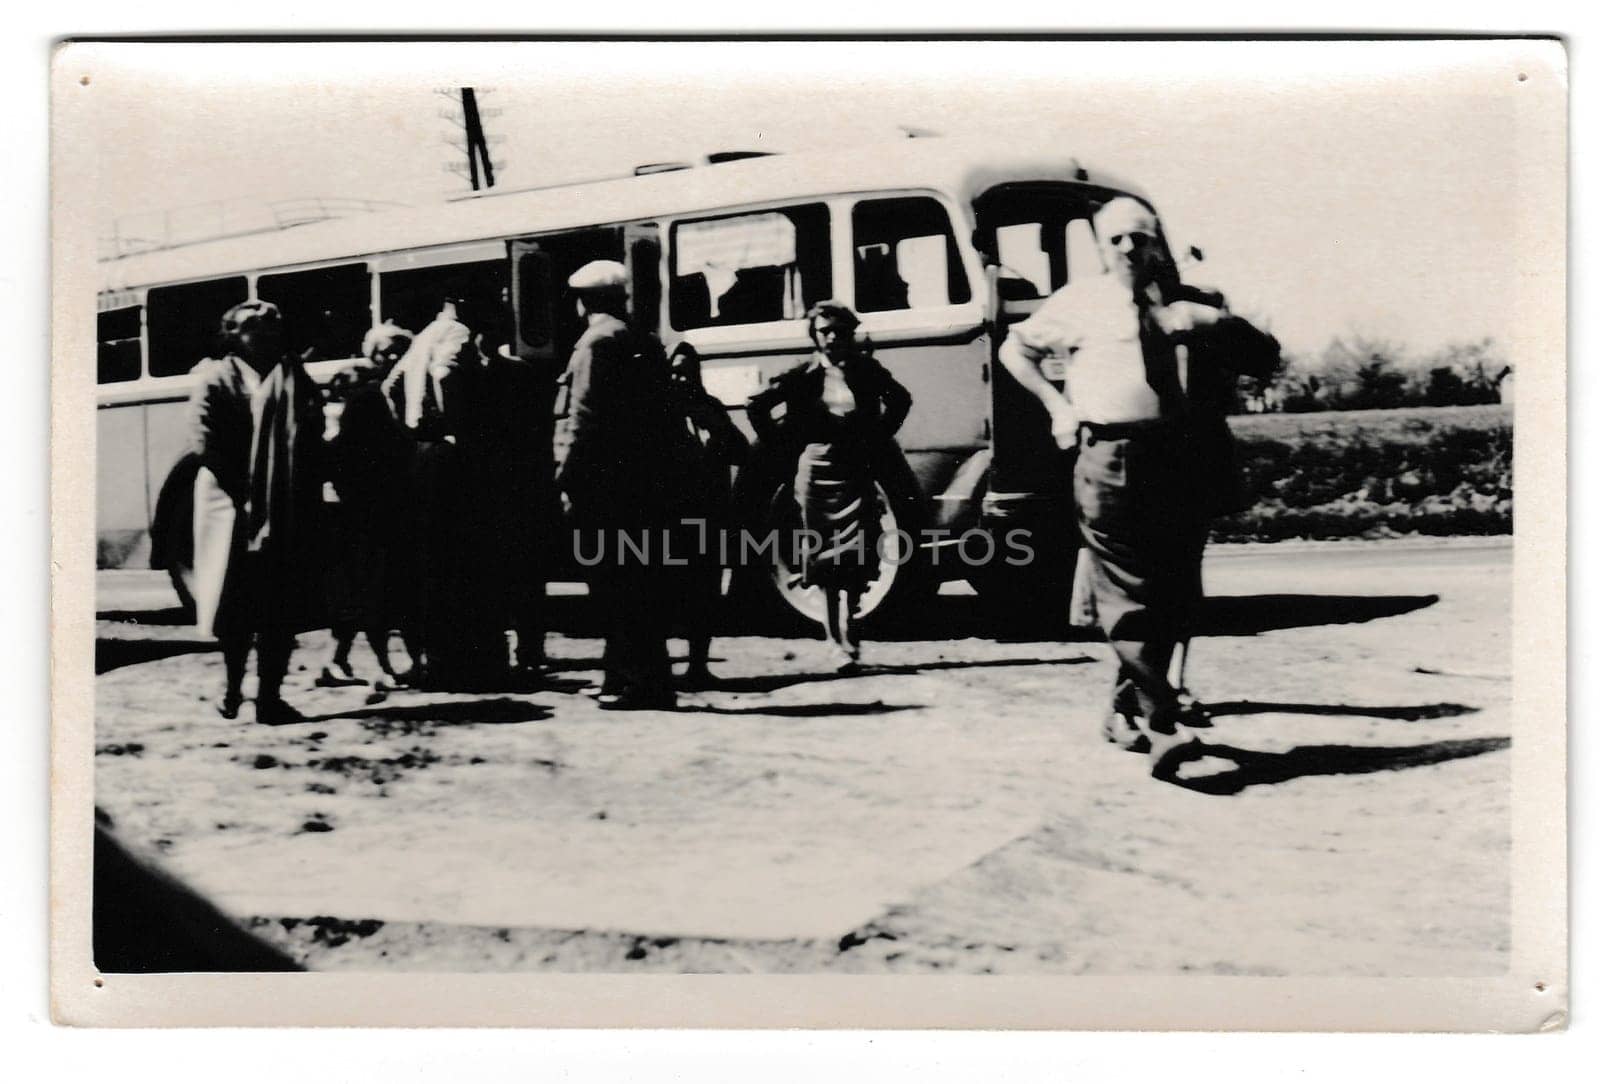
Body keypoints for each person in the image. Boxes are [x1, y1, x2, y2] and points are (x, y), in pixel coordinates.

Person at [997, 196, 1278, 773]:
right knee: (1128, 592)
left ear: (1158, 242)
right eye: (1117, 239)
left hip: (1178, 459)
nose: (1130, 248)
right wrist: (1057, 406)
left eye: (1141, 237)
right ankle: (1163, 725)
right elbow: (1014, 348)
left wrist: (1215, 323)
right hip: (1110, 456)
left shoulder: (1189, 304)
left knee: (1174, 595)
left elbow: (1266, 358)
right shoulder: (1080, 301)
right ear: (1101, 247)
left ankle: (1127, 704)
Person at [746, 300, 912, 672]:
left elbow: (901, 400)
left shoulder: (866, 370)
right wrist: (784, 444)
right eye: (825, 331)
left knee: (856, 557)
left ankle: (850, 640)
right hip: (817, 471)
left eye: (840, 330)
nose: (833, 337)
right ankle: (836, 646)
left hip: (856, 468)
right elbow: (756, 405)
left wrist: (878, 438)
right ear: (815, 336)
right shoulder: (801, 373)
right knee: (825, 561)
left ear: (850, 333)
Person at [184, 300, 322, 725]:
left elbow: (312, 431)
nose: (263, 335)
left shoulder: (293, 375)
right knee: (235, 607)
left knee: (279, 607)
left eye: (271, 327)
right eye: (251, 328)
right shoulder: (215, 378)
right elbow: (205, 442)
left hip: (283, 506)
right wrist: (249, 491)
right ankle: (231, 691)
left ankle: (270, 697)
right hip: (231, 506)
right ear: (231, 335)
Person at [555, 259, 677, 710]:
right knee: (638, 583)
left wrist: (565, 476)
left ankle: (639, 685)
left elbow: (582, 420)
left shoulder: (594, 343)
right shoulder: (639, 339)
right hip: (640, 483)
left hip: (602, 484)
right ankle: (622, 677)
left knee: (614, 586)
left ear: (584, 300)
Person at [380, 293, 496, 690]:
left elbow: (390, 386)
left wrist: (407, 430)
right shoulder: (457, 332)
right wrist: (454, 426)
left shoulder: (424, 335)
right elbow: (446, 374)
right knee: (459, 560)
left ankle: (437, 659)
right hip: (448, 454)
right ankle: (462, 661)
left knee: (432, 560)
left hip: (421, 452)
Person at [317, 322, 420, 689]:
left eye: (399, 350)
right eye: (385, 351)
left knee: (361, 590)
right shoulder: (368, 395)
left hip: (370, 509)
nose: (392, 357)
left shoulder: (391, 391)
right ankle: (384, 667)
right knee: (374, 590)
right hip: (365, 512)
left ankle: (337, 661)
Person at [665, 342, 750, 689]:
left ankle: (698, 666)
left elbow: (741, 451)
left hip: (709, 513)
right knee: (669, 592)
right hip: (671, 515)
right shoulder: (657, 411)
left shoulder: (710, 408)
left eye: (687, 371)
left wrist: (715, 426)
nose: (680, 377)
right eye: (674, 371)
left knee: (706, 593)